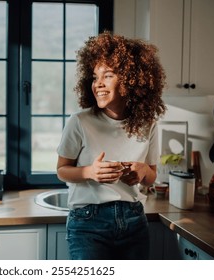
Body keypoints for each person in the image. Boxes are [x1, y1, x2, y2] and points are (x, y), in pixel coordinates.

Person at [56, 31, 166, 260]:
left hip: (135, 220)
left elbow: (152, 175)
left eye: (107, 76)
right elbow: (62, 170)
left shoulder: (149, 125)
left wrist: (143, 171)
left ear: (131, 80)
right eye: (95, 77)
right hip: (88, 224)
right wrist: (90, 172)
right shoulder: (80, 121)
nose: (98, 84)